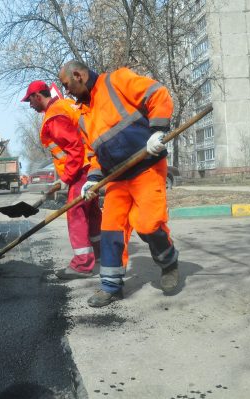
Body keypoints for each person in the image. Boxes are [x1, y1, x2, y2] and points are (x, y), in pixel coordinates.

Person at [58, 60, 179, 307]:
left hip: (147, 167)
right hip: (117, 179)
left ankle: (168, 263)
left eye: (67, 84)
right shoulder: (83, 117)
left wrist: (157, 131)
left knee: (147, 224)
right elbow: (94, 155)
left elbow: (158, 94)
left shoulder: (116, 81)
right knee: (111, 231)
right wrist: (91, 180)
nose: (66, 91)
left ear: (79, 75)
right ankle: (111, 287)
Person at [21, 80, 102, 278]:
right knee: (91, 213)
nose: (30, 105)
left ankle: (83, 265)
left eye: (29, 101)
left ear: (37, 96)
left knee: (75, 212)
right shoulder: (64, 105)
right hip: (89, 166)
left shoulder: (54, 116)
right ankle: (101, 256)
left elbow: (75, 148)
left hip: (81, 170)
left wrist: (66, 178)